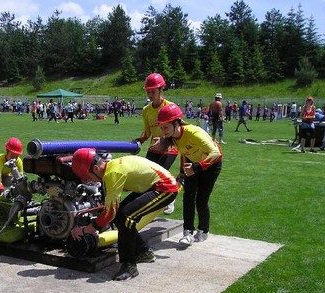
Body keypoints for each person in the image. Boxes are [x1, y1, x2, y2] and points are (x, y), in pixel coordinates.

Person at [70, 149, 178, 281]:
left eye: (88, 176)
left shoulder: (113, 173)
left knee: (127, 217)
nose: (89, 180)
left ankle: (129, 265)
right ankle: (144, 252)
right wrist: (95, 226)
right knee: (120, 215)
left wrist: (85, 230)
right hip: (152, 186)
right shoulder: (111, 168)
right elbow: (112, 210)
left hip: (165, 188)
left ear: (97, 168)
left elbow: (109, 213)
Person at [156, 103, 222, 246]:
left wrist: (197, 167)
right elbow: (185, 154)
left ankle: (203, 231)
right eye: (161, 127)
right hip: (193, 164)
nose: (163, 131)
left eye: (166, 127)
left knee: (201, 199)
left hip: (211, 165)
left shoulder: (193, 132)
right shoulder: (174, 136)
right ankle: (187, 233)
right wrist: (182, 172)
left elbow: (216, 153)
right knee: (188, 197)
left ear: (176, 123)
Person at [136, 73, 179, 215]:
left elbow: (178, 130)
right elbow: (147, 133)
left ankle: (170, 197)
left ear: (161, 90)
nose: (149, 94)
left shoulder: (170, 107)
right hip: (154, 148)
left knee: (161, 174)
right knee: (146, 177)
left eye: (153, 91)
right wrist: (138, 141)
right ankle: (148, 205)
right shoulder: (146, 110)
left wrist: (164, 140)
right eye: (148, 91)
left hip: (170, 147)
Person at [0, 137, 24, 201]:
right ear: (7, 151)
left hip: (5, 176)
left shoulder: (19, 161)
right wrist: (1, 191)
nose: (13, 159)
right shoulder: (0, 159)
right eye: (12, 156)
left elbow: (20, 177)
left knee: (17, 186)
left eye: (16, 156)